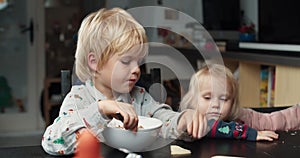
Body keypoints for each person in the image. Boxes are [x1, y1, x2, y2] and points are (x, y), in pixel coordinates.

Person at [42, 7, 209, 156]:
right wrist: (101, 109)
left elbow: (162, 119)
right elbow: (52, 141)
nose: (136, 69)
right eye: (126, 61)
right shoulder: (79, 98)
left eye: (139, 61)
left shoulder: (139, 97)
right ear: (95, 62)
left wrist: (183, 121)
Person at [180, 64, 300, 139]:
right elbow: (214, 127)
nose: (215, 105)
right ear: (194, 100)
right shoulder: (189, 120)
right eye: (207, 98)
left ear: (232, 102)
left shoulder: (241, 116)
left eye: (224, 99)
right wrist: (252, 134)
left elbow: (271, 121)